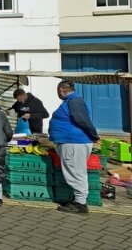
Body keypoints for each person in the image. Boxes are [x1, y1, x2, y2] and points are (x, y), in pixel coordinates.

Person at [49, 81, 100, 214]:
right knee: (76, 171)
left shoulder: (74, 101)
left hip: (74, 143)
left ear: (60, 90)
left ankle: (80, 204)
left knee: (76, 172)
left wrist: (94, 135)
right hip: (72, 142)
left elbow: (82, 119)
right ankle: (79, 200)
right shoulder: (71, 101)